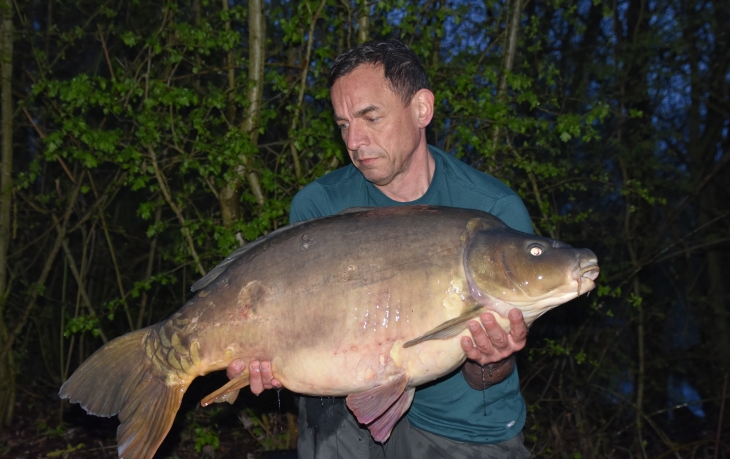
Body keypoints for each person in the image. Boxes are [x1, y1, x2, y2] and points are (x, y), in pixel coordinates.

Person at [227, 39, 533, 458]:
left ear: (421, 109)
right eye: (343, 124)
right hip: (345, 409)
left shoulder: (493, 211)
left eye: (370, 117)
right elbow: (289, 327)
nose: (354, 140)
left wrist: (492, 360)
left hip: (460, 418)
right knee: (323, 410)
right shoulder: (319, 206)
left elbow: (488, 377)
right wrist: (269, 357)